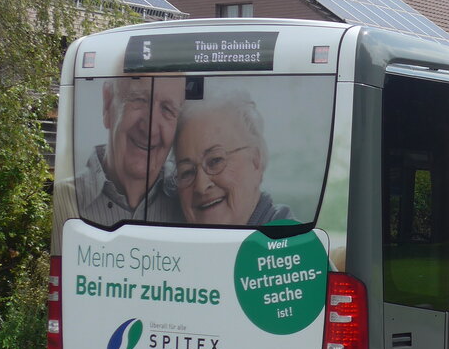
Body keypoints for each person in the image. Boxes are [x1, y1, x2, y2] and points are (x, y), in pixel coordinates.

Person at [56, 76, 186, 232]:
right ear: (108, 104)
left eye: (167, 109)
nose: (150, 130)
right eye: (139, 100)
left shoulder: (187, 204)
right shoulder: (67, 199)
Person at [172, 90, 293, 226]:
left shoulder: (292, 243)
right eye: (187, 172)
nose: (201, 186)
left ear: (255, 161)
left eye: (215, 160)